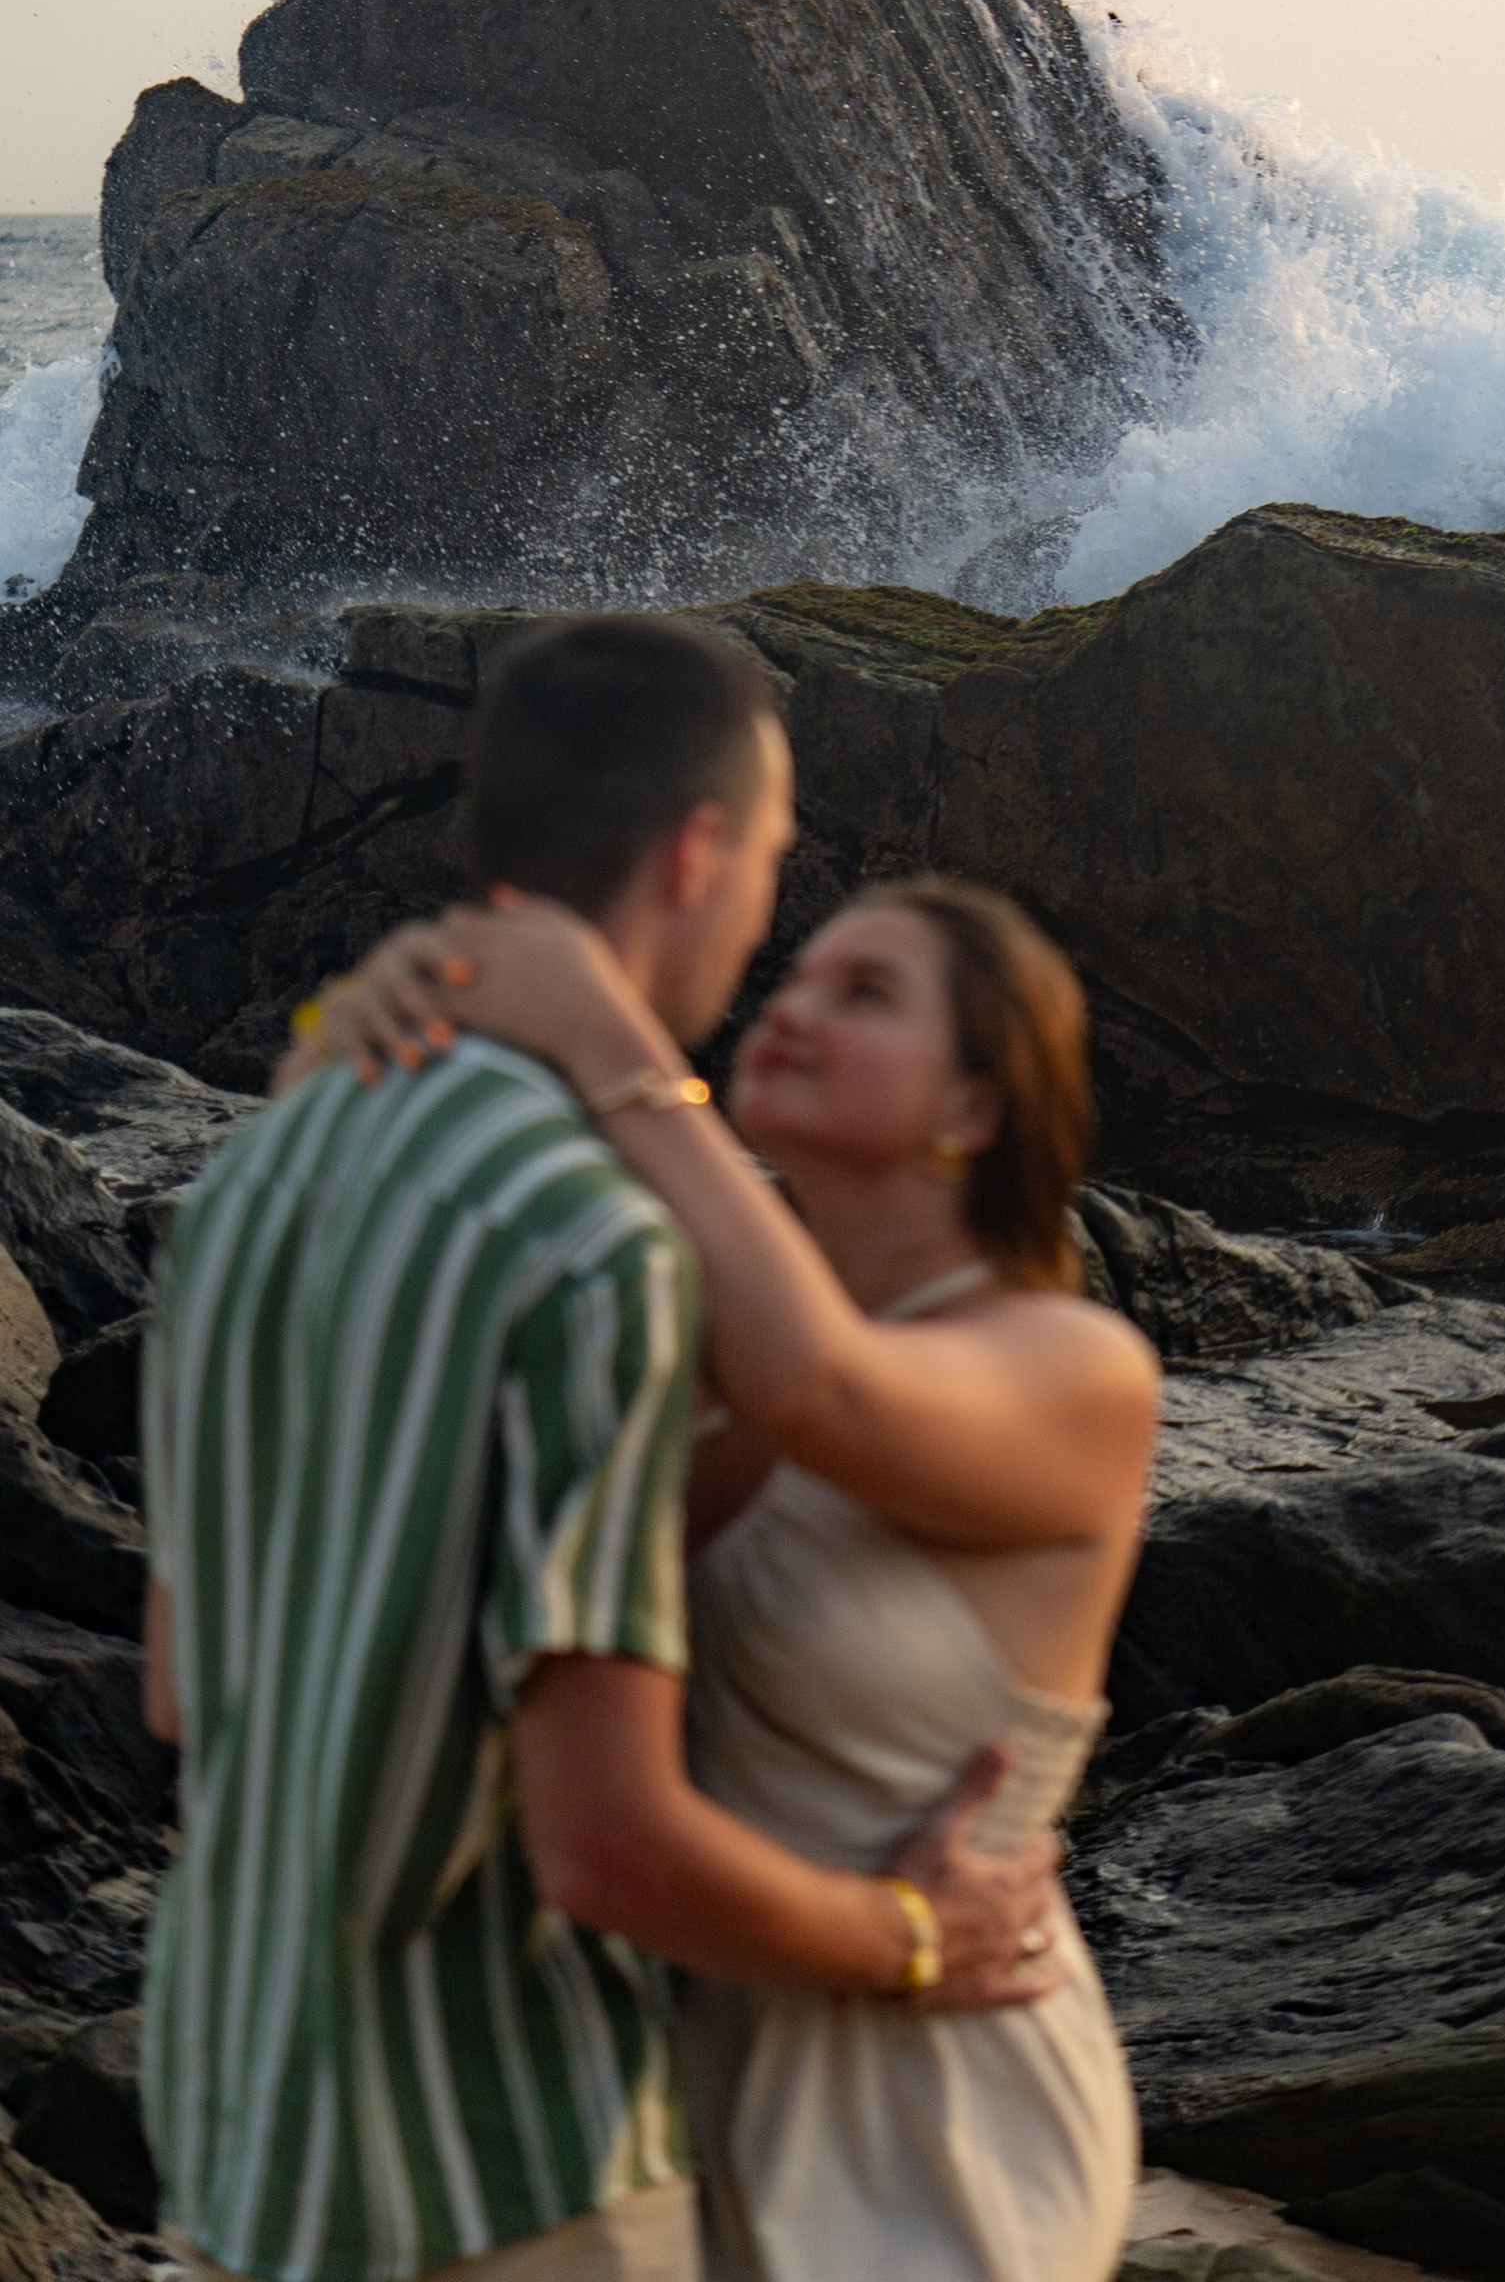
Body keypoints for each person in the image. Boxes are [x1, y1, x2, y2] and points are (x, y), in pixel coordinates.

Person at [142, 618, 1065, 2282]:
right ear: (701, 850)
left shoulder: (257, 1177)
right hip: (497, 2167)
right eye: (778, 867)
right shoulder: (599, 1250)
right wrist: (914, 1932)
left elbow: (179, 1686)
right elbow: (603, 1838)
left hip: (238, 2144)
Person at [330, 860, 1162, 2282]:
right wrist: (354, 1036)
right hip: (669, 2089)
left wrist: (611, 1044)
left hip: (939, 2104)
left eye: (867, 993)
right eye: (794, 977)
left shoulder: (1076, 1371)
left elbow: (824, 1394)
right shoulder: (692, 1331)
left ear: (974, 1108)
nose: (793, 1009)